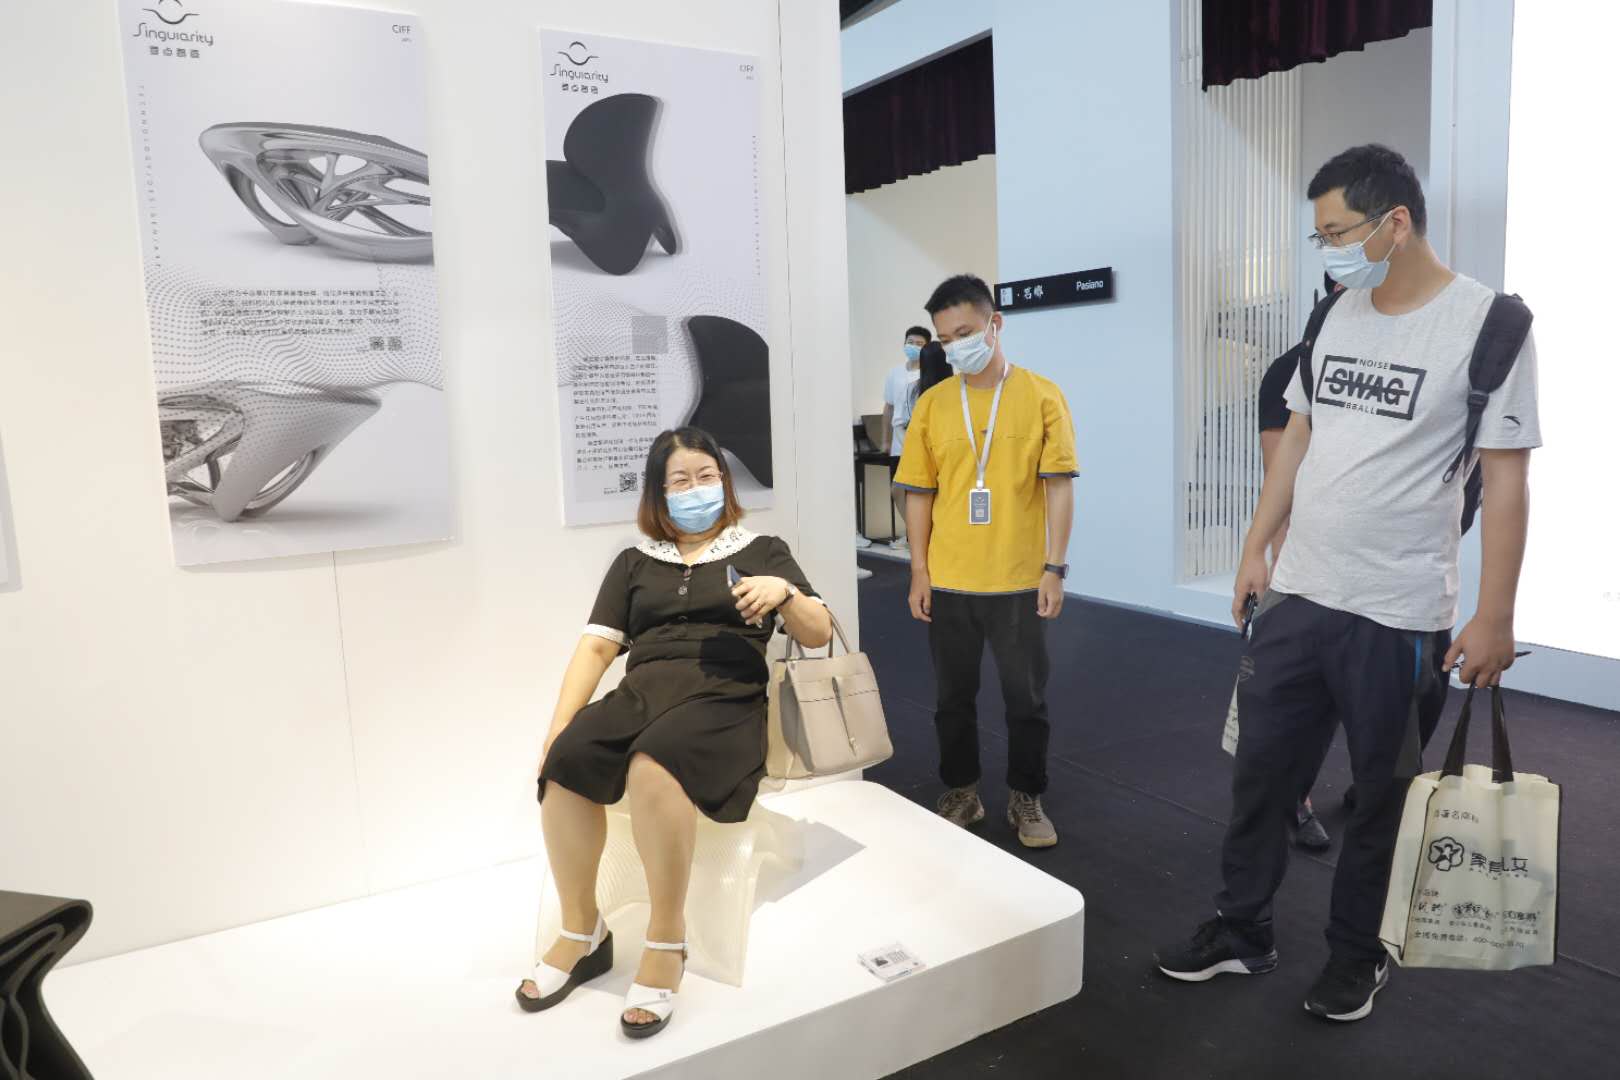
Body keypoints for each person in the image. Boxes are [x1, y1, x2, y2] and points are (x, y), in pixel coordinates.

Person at [1156, 144, 1540, 1023]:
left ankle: (1356, 956)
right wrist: (1256, 546)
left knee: (1379, 799)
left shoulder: (1491, 327)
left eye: (1337, 231)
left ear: (1395, 223)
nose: (1328, 247)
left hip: (1399, 613)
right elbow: (1298, 434)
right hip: (1299, 596)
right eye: (1321, 234)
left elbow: (1508, 480)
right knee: (1262, 778)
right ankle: (1242, 930)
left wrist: (1495, 615)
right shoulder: (1334, 315)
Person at [517, 427, 832, 1038]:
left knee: (654, 763)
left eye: (706, 476)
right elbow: (596, 647)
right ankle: (583, 930)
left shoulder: (762, 549)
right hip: (643, 692)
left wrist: (786, 592)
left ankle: (666, 938)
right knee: (567, 762)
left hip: (726, 698)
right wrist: (558, 728)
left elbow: (817, 632)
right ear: (659, 494)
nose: (695, 489)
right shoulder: (634, 562)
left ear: (725, 481)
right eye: (680, 480)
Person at [895, 274, 1078, 848]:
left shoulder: (1042, 396)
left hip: (1018, 581)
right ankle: (962, 791)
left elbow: (1058, 487)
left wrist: (1055, 568)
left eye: (966, 332)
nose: (956, 346)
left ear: (995, 324)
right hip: (949, 581)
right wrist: (918, 570)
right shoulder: (932, 405)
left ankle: (1026, 796)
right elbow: (919, 494)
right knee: (952, 700)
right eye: (947, 339)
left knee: (1026, 700)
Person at [1252, 272, 1345, 854]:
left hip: (1391, 579)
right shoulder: (1291, 370)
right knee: (1299, 704)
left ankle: (1370, 792)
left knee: (1382, 712)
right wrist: (1269, 555)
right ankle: (1294, 796)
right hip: (1307, 575)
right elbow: (1281, 476)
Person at [882, 326, 933, 551]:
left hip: (919, 440)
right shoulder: (895, 373)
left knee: (917, 490)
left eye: (919, 344)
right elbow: (888, 408)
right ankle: (914, 533)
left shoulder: (929, 373)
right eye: (910, 342)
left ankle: (921, 535)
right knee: (897, 490)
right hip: (898, 440)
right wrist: (885, 440)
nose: (913, 347)